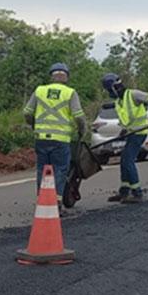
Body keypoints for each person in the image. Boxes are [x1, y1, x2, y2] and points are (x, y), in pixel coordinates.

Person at [22, 63, 86, 206]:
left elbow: (27, 112)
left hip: (41, 138)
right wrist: (82, 130)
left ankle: (42, 200)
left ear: (51, 76)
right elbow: (79, 116)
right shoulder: (70, 93)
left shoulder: (40, 91)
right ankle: (56, 202)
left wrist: (34, 125)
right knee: (60, 170)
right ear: (66, 77)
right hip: (61, 140)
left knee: (42, 169)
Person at [102, 73, 148, 203]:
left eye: (109, 90)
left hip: (140, 132)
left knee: (128, 161)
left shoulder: (133, 94)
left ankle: (137, 192)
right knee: (124, 161)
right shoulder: (119, 101)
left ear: (114, 88)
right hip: (131, 132)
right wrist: (123, 130)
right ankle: (124, 191)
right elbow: (127, 119)